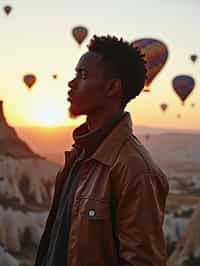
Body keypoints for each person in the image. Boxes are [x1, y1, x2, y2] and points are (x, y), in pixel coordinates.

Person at [34, 35, 169, 266]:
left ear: (112, 87)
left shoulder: (136, 170)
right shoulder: (80, 154)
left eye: (83, 75)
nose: (71, 83)